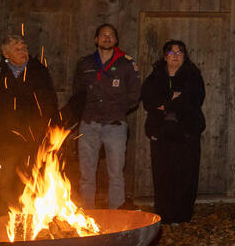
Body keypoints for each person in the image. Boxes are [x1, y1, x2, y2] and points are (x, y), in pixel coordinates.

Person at [0, 34, 59, 204]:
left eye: (24, 48)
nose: (23, 52)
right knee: (7, 181)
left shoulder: (39, 73)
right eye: (17, 49)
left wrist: (46, 128)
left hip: (34, 139)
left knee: (31, 180)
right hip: (5, 139)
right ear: (6, 54)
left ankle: (31, 213)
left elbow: (50, 103)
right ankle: (9, 213)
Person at [71, 23, 141, 209]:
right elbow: (77, 92)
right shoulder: (85, 63)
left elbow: (135, 94)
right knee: (86, 174)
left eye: (111, 35)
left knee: (116, 173)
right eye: (103, 35)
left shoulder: (126, 64)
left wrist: (118, 110)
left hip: (115, 126)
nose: (107, 38)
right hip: (89, 124)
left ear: (116, 40)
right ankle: (87, 215)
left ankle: (115, 214)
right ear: (96, 39)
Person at [141, 40, 206, 225]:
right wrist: (173, 97)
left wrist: (165, 104)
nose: (175, 56)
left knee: (185, 174)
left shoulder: (193, 75)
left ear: (184, 56)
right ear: (165, 57)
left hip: (186, 132)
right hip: (160, 132)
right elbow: (148, 99)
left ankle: (182, 216)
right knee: (163, 174)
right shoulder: (155, 76)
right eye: (171, 53)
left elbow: (192, 100)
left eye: (179, 52)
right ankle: (164, 215)